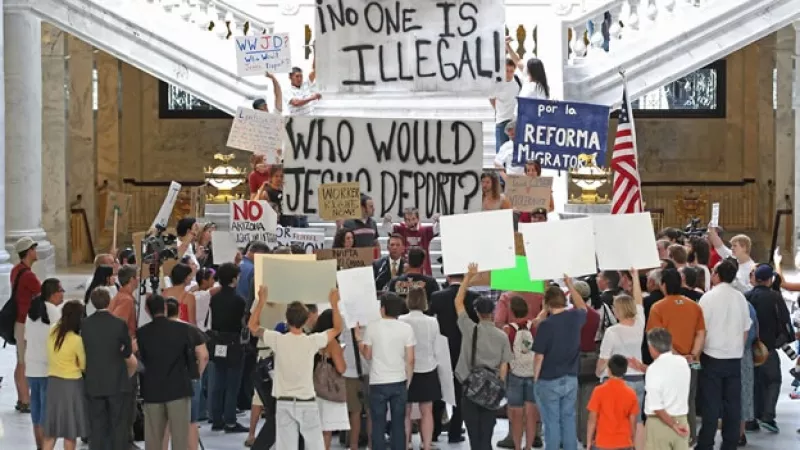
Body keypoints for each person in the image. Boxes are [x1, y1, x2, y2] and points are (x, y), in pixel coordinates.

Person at [249, 286, 343, 449]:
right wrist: (334, 304)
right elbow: (337, 329)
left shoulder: (277, 339)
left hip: (284, 402)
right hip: (306, 402)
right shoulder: (312, 341)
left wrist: (261, 301)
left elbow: (253, 326)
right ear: (306, 320)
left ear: (286, 318)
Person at [696, 259, 752, 450]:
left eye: (713, 271)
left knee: (711, 404)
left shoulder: (708, 298)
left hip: (712, 356)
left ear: (717, 275)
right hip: (734, 357)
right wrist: (737, 348)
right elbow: (745, 329)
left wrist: (697, 353)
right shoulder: (740, 298)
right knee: (733, 404)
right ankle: (730, 443)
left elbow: (701, 329)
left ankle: (706, 443)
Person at [454, 264, 512, 449]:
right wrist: (500, 384)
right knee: (487, 433)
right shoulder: (502, 336)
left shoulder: (469, 329)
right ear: (492, 311)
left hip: (470, 386)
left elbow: (458, 302)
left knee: (473, 434)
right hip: (491, 388)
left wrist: (468, 277)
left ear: (477, 312)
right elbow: (504, 364)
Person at [646, 268, 706, 445]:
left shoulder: (658, 307)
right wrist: (692, 355)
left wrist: (677, 355)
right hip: (692, 362)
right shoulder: (694, 306)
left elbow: (657, 338)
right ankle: (689, 438)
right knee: (689, 401)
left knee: (666, 401)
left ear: (663, 285)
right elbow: (701, 333)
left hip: (667, 363)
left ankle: (669, 438)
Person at [355, 292, 416, 450]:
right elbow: (410, 359)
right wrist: (408, 381)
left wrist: (359, 339)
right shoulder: (406, 328)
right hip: (399, 381)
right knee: (398, 424)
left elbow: (367, 355)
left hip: (378, 382)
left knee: (378, 424)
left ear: (382, 309)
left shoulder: (372, 327)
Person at [533, 276, 588, 450]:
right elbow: (583, 307)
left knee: (551, 422)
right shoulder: (575, 317)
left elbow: (539, 356)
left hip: (549, 378)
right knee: (568, 419)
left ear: (547, 303)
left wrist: (535, 378)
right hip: (571, 376)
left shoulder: (546, 325)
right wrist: (570, 285)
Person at [136, 294, 196, 449]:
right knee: (180, 438)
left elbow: (140, 361)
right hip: (178, 389)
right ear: (165, 307)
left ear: (147, 310)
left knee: (153, 439)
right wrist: (193, 375)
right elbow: (190, 357)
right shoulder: (182, 329)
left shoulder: (141, 333)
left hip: (152, 391)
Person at [595, 269, 646, 447]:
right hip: (638, 379)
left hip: (618, 380)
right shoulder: (639, 324)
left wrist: (598, 372)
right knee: (637, 420)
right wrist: (635, 276)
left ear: (618, 311)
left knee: (616, 422)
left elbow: (603, 359)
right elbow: (639, 301)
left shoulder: (612, 332)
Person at [82, 288, 137, 450]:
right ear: (109, 301)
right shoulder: (119, 324)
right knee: (118, 423)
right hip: (116, 381)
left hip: (94, 381)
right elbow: (127, 351)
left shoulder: (85, 324)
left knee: (96, 424)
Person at [428, 271, 478, 443]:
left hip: (442, 348)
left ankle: (434, 431)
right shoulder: (474, 297)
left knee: (439, 389)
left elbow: (430, 319)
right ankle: (455, 432)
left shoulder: (437, 296)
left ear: (448, 277)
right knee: (460, 391)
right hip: (464, 349)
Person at [746, 264, 789, 433]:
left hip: (749, 349)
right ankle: (768, 416)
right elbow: (784, 322)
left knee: (753, 383)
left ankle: (751, 419)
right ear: (769, 280)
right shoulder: (775, 297)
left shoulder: (746, 296)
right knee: (773, 381)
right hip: (769, 348)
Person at [42, 300, 90, 450]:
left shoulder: (52, 331)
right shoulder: (76, 340)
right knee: (70, 432)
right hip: (72, 386)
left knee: (51, 431)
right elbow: (83, 365)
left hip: (53, 383)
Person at [399, 287, 441, 450]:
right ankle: (427, 444)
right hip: (428, 368)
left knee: (405, 411)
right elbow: (437, 346)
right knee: (427, 411)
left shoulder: (401, 320)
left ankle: (406, 444)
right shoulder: (432, 321)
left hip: (405, 370)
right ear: (425, 301)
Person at [209, 262, 249, 432]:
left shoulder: (215, 298)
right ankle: (230, 420)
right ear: (234, 279)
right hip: (234, 342)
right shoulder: (240, 300)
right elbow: (243, 323)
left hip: (218, 340)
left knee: (219, 380)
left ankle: (216, 418)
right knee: (232, 384)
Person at [165, 298, 210, 450]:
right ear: (179, 310)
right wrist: (198, 373)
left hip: (167, 380)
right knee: (191, 421)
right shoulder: (191, 330)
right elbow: (204, 355)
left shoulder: (158, 331)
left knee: (166, 421)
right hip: (190, 378)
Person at [24, 278, 64, 449]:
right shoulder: (54, 311)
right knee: (47, 414)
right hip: (47, 370)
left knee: (36, 412)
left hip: (31, 368)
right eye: (61, 290)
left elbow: (26, 338)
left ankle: (40, 446)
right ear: (53, 294)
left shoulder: (31, 312)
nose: (63, 293)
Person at [640, 328, 691, 450]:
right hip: (682, 421)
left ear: (651, 347)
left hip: (659, 425)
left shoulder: (653, 369)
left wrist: (673, 425)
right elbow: (667, 374)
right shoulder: (682, 362)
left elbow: (656, 406)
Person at [503, 296, 539, 450]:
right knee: (531, 414)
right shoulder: (534, 327)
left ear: (511, 311)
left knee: (516, 415)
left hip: (515, 375)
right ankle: (528, 446)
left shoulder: (508, 330)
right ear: (527, 309)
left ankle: (517, 446)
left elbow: (505, 355)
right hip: (532, 374)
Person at [11, 236, 42, 413]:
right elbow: (41, 294)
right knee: (24, 362)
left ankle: (21, 397)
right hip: (24, 321)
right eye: (34, 249)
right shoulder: (29, 275)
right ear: (29, 252)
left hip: (18, 320)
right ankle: (25, 401)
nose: (36, 252)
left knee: (20, 360)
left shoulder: (16, 270)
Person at [312, 309, 350, 450]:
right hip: (326, 391)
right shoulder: (332, 343)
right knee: (325, 430)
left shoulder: (313, 337)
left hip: (311, 387)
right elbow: (341, 368)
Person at [586, 355, 639, 450]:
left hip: (603, 443)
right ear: (625, 371)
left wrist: (589, 442)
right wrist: (633, 441)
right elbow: (633, 421)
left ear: (609, 370)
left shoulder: (598, 391)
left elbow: (592, 420)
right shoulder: (631, 393)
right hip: (624, 443)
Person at [382, 207, 440, 276]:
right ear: (405, 220)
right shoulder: (400, 229)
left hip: (422, 271)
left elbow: (436, 229)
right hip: (405, 271)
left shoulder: (425, 231)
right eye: (408, 220)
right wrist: (386, 220)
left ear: (418, 219)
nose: (411, 222)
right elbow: (388, 228)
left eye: (413, 219)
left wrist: (438, 220)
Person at [489, 45, 522, 152]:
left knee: (515, 152)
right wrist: (499, 110)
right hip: (502, 121)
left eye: (511, 71)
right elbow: (492, 98)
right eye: (507, 70)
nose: (509, 73)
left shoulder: (518, 81)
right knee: (501, 152)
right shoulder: (497, 83)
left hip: (515, 121)